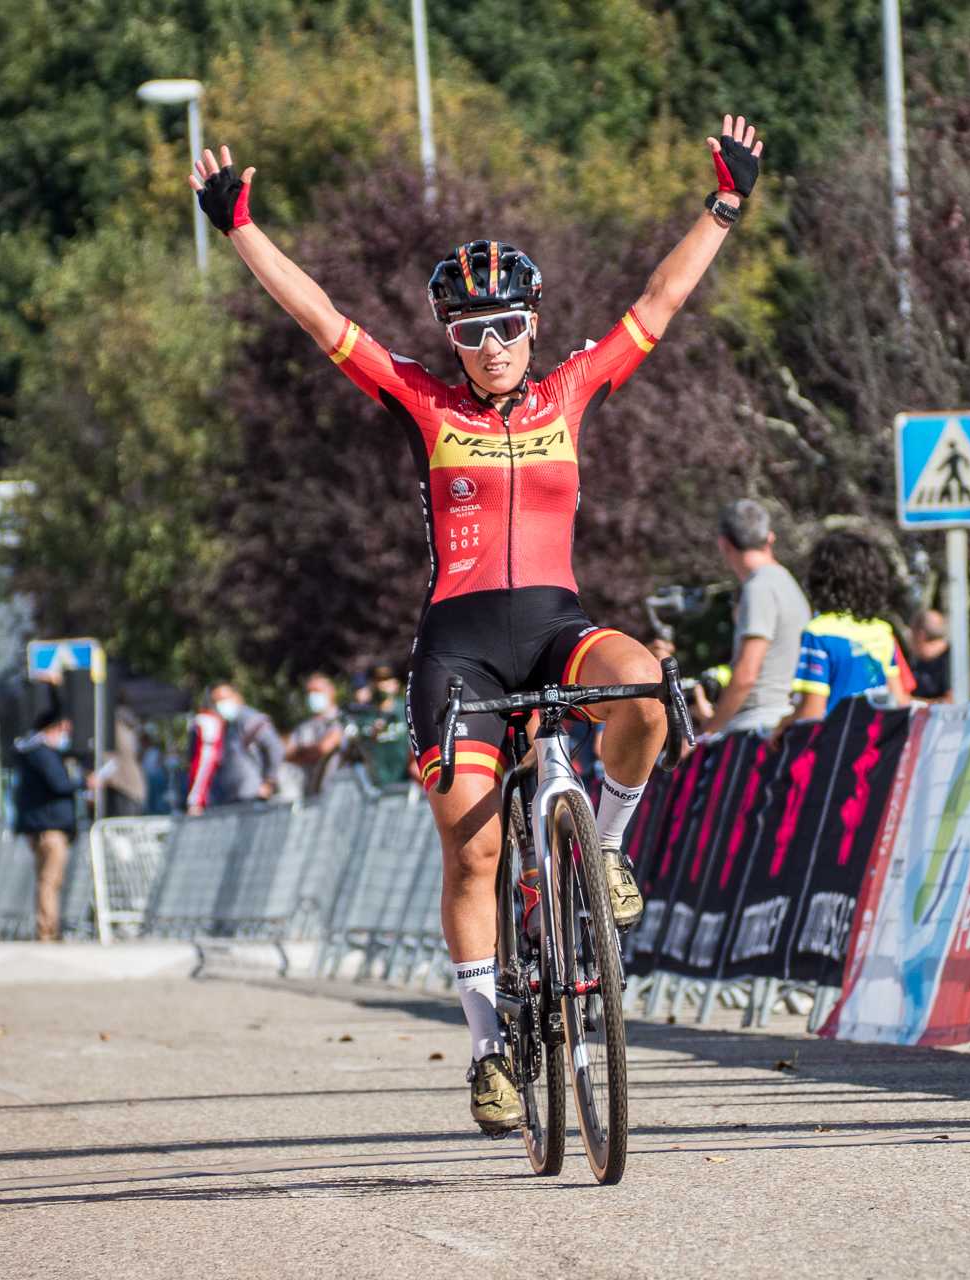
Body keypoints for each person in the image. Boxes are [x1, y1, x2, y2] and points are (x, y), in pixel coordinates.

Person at [190, 113, 763, 1134]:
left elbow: (662, 299)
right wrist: (241, 228)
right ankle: (492, 1046)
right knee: (477, 856)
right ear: (450, 340)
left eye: (506, 327)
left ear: (534, 324)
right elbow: (323, 318)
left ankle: (610, 850)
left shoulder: (570, 391)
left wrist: (725, 204)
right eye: (470, 332)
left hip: (556, 624)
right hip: (458, 650)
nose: (492, 347)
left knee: (642, 690)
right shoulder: (421, 401)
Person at [772, 529, 910, 742]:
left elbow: (812, 712)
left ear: (822, 579)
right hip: (873, 748)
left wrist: (781, 726)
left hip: (833, 751)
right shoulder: (881, 631)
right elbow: (899, 701)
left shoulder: (818, 632)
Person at [702, 497, 812, 734]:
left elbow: (746, 675)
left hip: (757, 723)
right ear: (769, 538)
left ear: (724, 545)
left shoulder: (758, 587)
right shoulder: (786, 582)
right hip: (780, 717)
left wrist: (707, 732)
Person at [13, 709, 77, 942]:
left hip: (37, 827)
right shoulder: (43, 754)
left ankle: (47, 927)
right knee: (50, 880)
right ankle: (48, 930)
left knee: (46, 880)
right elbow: (60, 784)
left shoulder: (29, 753)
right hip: (50, 827)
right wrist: (80, 782)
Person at [184, 680, 282, 812]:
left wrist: (269, 783)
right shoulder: (222, 725)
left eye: (224, 699)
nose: (220, 705)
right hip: (229, 799)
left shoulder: (250, 719)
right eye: (216, 701)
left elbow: (275, 748)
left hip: (252, 796)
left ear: (236, 697)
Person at [344, 664, 413, 788]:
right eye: (378, 681)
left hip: (408, 785)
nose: (382, 685)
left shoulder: (408, 711)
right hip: (376, 788)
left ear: (396, 684)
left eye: (387, 680)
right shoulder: (362, 716)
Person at [285, 672, 346, 798]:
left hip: (337, 793)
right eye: (309, 692)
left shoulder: (342, 720)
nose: (313, 696)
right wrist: (309, 752)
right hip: (310, 793)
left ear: (331, 692)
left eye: (317, 691)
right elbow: (288, 755)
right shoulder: (303, 726)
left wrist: (302, 752)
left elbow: (322, 749)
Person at [905, 608, 952, 702]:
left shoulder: (952, 662)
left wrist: (912, 703)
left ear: (920, 635)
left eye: (911, 633)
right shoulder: (915, 659)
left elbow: (952, 701)